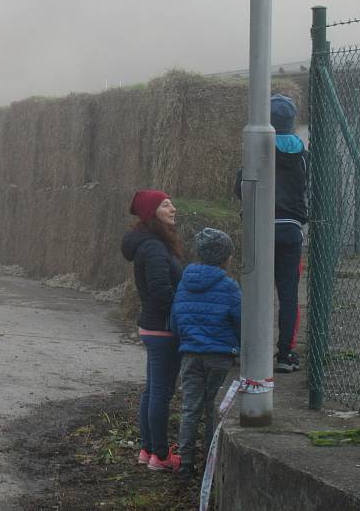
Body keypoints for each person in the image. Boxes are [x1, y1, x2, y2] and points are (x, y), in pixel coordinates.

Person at [235, 94, 308, 373]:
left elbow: (241, 186)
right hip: (290, 229)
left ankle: (248, 350)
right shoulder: (302, 154)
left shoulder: (257, 149)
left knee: (253, 291)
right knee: (288, 294)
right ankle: (284, 355)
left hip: (259, 227)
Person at [121, 189, 184, 473]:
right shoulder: (155, 247)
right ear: (151, 213)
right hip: (163, 328)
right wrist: (181, 314)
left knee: (152, 390)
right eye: (166, 205)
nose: (173, 209)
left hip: (153, 327)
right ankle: (160, 454)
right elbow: (161, 290)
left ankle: (148, 450)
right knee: (160, 392)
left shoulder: (150, 244)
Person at [171, 228, 241, 480]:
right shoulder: (229, 286)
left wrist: (188, 339)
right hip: (220, 356)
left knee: (190, 408)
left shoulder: (185, 282)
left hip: (190, 354)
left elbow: (175, 319)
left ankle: (185, 464)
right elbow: (240, 321)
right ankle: (210, 465)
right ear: (225, 258)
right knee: (214, 408)